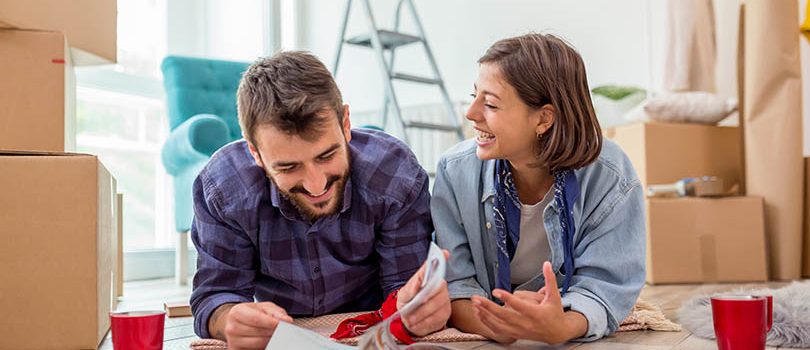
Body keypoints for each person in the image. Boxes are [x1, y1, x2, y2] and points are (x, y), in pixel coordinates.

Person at [189, 51, 450, 349]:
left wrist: (416, 307)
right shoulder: (224, 188)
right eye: (288, 167)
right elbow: (215, 296)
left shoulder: (393, 175)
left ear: (346, 123)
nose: (316, 185)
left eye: (327, 155)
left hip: (371, 327)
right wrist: (228, 318)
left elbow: (404, 287)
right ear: (255, 153)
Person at [432, 33, 645, 344]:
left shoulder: (610, 175)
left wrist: (563, 326)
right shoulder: (455, 170)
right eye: (474, 95)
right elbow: (457, 284)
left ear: (544, 118)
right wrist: (503, 327)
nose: (471, 113)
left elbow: (607, 285)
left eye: (490, 103)